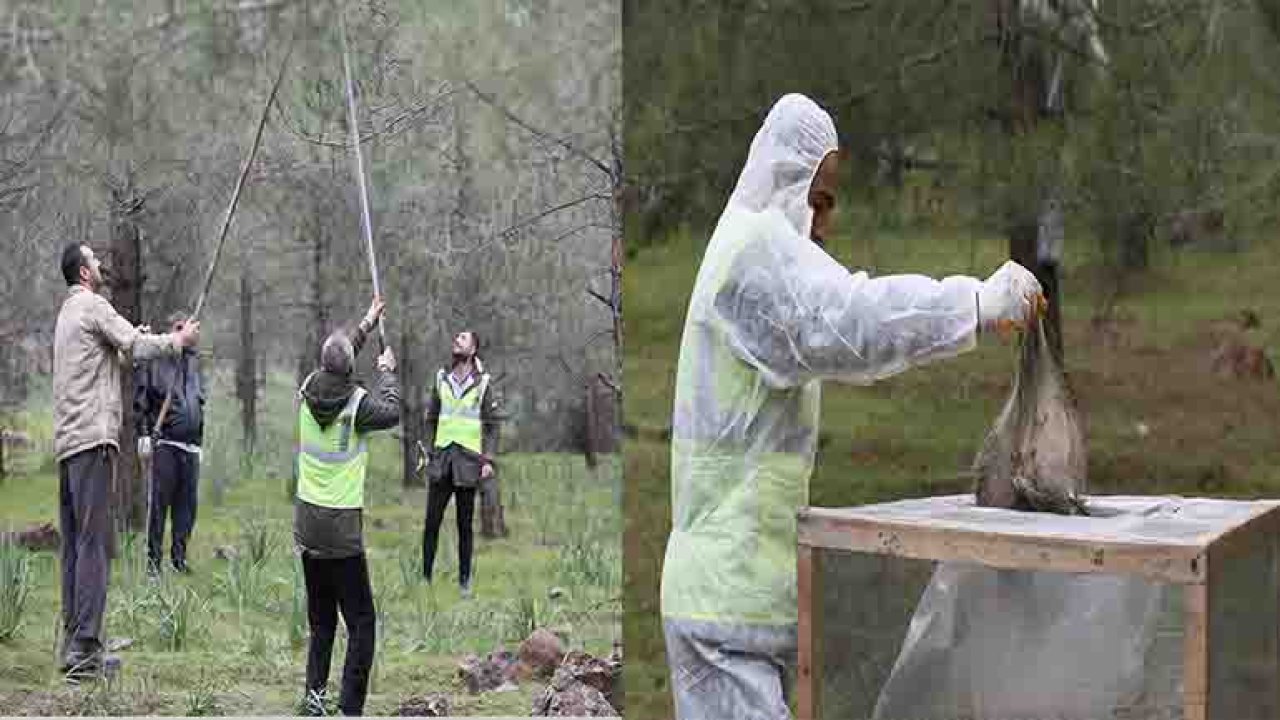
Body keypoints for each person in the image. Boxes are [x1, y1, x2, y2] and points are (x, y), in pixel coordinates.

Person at [658, 94, 1045, 720]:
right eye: (816, 200)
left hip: (746, 598)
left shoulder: (756, 252)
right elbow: (851, 321)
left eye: (831, 203)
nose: (824, 222)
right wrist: (975, 304)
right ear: (785, 181)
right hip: (723, 607)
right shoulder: (753, 256)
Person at [53, 243, 200, 680]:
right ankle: (86, 653)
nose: (100, 264)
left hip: (68, 445)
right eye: (93, 260)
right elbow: (135, 346)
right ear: (84, 272)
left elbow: (112, 356)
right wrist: (177, 341)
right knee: (94, 545)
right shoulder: (93, 306)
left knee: (75, 546)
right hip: (93, 443)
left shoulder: (67, 314)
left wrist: (133, 341)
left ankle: (73, 644)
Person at [293, 298, 399, 716]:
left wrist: (366, 324)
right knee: (362, 623)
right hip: (342, 531)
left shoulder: (307, 387)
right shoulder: (358, 405)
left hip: (308, 525)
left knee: (321, 623)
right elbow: (392, 412)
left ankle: (314, 699)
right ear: (350, 368)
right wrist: (387, 373)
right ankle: (350, 708)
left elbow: (338, 359)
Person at [420, 329, 499, 598]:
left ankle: (465, 584)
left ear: (473, 349)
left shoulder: (483, 383)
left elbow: (492, 425)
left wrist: (488, 459)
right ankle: (425, 580)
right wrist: (428, 451)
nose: (457, 341)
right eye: (456, 338)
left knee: (464, 527)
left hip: (468, 464)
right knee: (431, 523)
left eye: (463, 339)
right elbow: (431, 418)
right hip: (442, 462)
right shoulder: (441, 378)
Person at [134, 311, 206, 575]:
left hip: (190, 446)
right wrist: (143, 434)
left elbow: (200, 403)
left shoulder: (195, 363)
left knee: (187, 508)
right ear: (171, 332)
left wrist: (200, 441)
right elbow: (142, 397)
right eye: (178, 327)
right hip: (164, 442)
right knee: (158, 506)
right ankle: (153, 563)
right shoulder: (156, 360)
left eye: (186, 327)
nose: (186, 333)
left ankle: (179, 559)